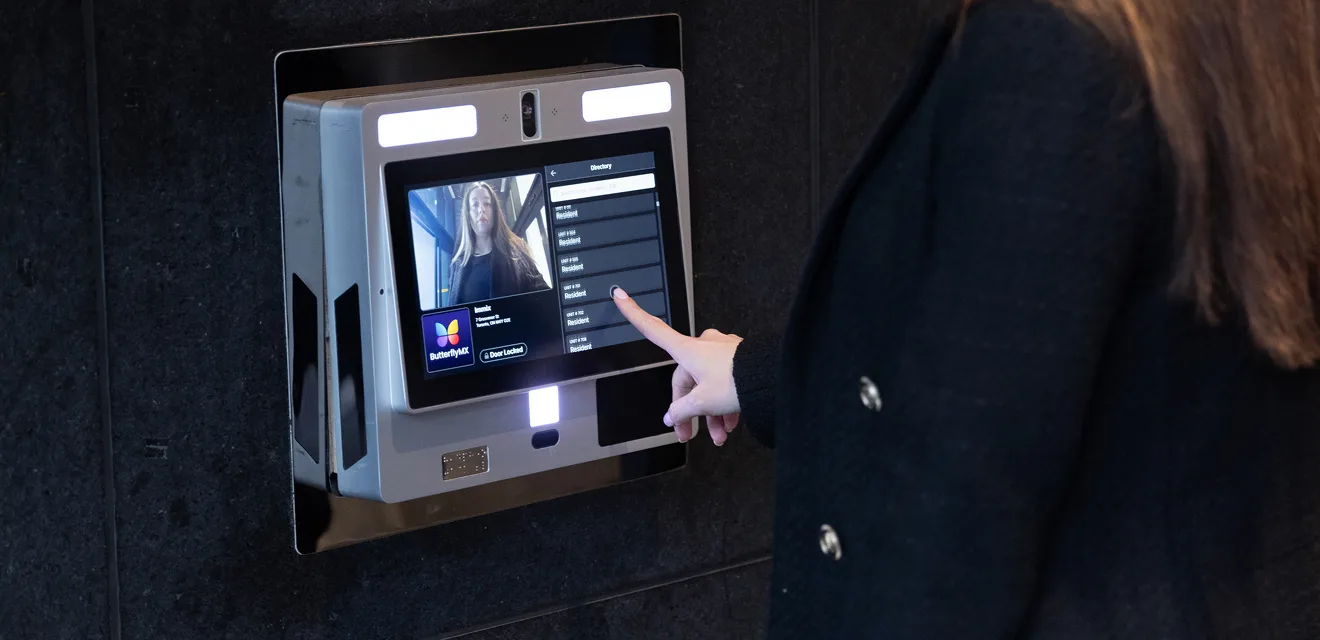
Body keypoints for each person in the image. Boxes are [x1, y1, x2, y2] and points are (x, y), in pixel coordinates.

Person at [613, 0, 1320, 637]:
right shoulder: (1249, 35)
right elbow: (1092, 348)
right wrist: (758, 374)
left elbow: (960, 515)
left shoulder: (1052, 54)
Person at [447, 181, 549, 306]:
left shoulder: (518, 251)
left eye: (487, 203)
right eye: (475, 204)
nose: (481, 210)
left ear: (495, 212)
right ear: (468, 215)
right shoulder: (457, 264)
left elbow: (545, 299)